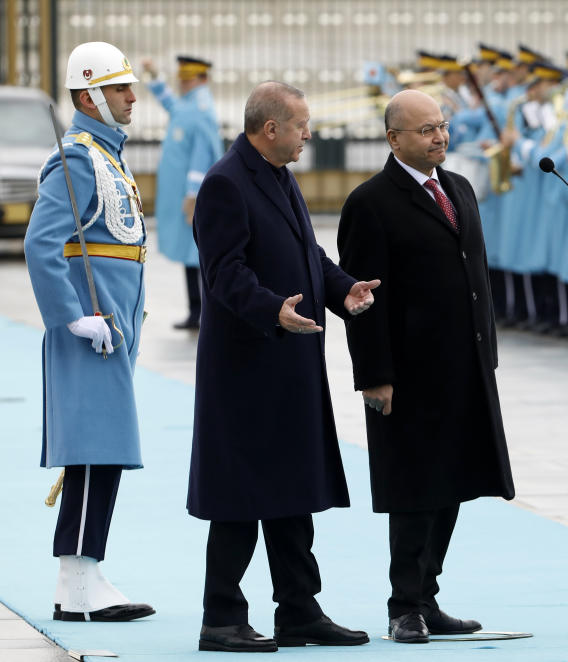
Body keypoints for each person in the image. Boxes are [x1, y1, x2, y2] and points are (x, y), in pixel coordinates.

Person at [187, 81, 379, 653]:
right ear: (270, 128)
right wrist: (273, 310)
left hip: (289, 363)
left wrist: (343, 291)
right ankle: (220, 617)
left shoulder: (278, 173)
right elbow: (224, 275)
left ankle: (298, 609)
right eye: (301, 125)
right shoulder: (225, 183)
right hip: (246, 371)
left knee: (292, 494)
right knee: (241, 499)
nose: (308, 135)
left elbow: (307, 255)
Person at [337, 89, 515, 644]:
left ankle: (429, 596)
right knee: (415, 490)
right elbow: (364, 299)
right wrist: (373, 374)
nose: (439, 136)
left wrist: (486, 352)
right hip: (409, 374)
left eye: (442, 126)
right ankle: (404, 606)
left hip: (464, 367)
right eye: (425, 130)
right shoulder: (371, 202)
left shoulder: (458, 188)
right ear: (395, 139)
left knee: (454, 484)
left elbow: (475, 276)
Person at [23, 41, 154, 622]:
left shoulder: (108, 153)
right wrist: (70, 315)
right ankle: (77, 586)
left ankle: (84, 574)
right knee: (94, 453)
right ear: (87, 97)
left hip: (112, 331)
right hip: (89, 332)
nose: (131, 97)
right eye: (118, 88)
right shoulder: (77, 158)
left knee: (105, 454)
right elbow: (39, 245)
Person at [142, 54, 223, 330]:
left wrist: (193, 195)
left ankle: (203, 312)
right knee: (192, 256)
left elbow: (202, 156)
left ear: (202, 79)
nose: (183, 84)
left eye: (188, 80)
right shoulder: (189, 104)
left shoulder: (201, 108)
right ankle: (196, 312)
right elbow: (171, 104)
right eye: (182, 79)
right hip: (186, 197)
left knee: (199, 256)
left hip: (193, 198)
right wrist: (154, 77)